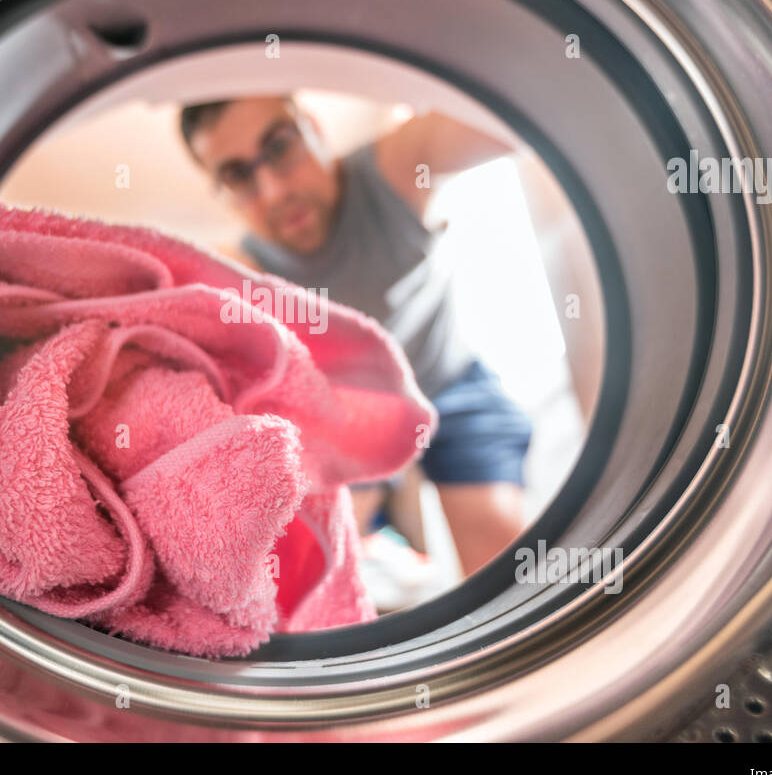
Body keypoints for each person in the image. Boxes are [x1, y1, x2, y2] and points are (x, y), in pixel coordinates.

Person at [179, 94, 534, 577]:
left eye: (280, 147)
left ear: (314, 130)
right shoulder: (241, 270)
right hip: (347, 417)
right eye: (238, 175)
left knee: (505, 561)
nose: (273, 189)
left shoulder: (398, 168)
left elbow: (521, 104)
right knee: (320, 564)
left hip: (449, 383)